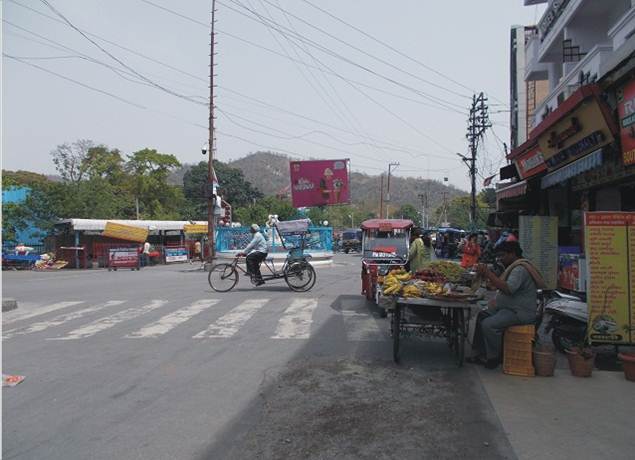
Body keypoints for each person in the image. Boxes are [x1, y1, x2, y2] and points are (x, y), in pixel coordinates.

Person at [468, 241, 546, 369]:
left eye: (503, 256)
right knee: (482, 315)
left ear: (513, 254)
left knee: (489, 325)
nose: (500, 259)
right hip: (507, 308)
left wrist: (488, 274)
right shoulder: (513, 267)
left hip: (518, 312)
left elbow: (508, 289)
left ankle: (494, 357)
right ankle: (481, 352)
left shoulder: (520, 269)